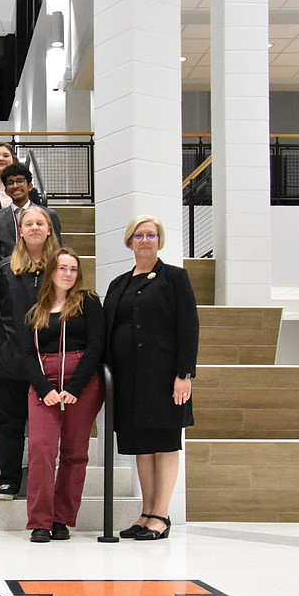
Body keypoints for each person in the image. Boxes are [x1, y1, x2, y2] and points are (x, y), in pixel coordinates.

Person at [104, 215, 199, 541]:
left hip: (164, 377)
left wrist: (184, 374)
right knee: (142, 446)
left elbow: (188, 327)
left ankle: (161, 515)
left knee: (165, 443)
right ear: (129, 241)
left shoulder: (174, 278)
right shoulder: (119, 283)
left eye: (151, 235)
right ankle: (146, 513)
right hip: (129, 378)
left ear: (159, 241)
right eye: (139, 235)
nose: (145, 240)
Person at [21, 249, 104, 542]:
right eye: (62, 268)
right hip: (45, 384)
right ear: (52, 272)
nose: (68, 274)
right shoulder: (37, 310)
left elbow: (96, 346)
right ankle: (40, 521)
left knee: (74, 452)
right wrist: (45, 390)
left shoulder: (88, 302)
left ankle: (61, 519)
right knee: (42, 450)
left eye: (73, 269)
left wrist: (74, 389)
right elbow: (28, 354)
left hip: (81, 384)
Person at [0, 207, 59, 500]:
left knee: (46, 431)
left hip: (50, 363)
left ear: (48, 230)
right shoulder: (4, 269)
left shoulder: (62, 269)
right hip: (10, 362)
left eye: (39, 223)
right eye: (27, 223)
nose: (33, 228)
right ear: (19, 231)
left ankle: (45, 481)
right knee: (9, 424)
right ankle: (8, 480)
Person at [0, 162, 63, 267]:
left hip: (42, 272)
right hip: (9, 276)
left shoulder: (49, 215)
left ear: (30, 186)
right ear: (6, 191)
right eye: (10, 182)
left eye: (20, 181)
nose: (15, 186)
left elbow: (57, 249)